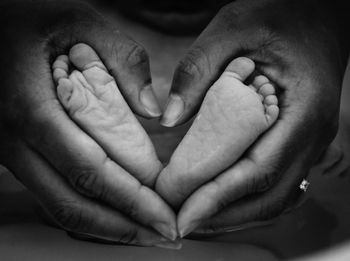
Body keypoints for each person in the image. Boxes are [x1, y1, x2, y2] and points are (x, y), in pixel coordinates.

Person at [0, 0, 348, 249]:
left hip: (108, 22)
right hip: (251, 32)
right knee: (298, 171)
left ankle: (128, 157)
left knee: (57, 161)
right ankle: (205, 168)